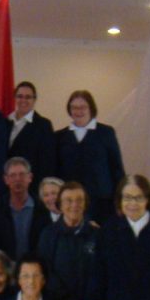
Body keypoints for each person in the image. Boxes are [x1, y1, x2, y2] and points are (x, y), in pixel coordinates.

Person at [55, 90, 125, 224]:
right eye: (74, 107)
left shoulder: (106, 133)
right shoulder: (60, 136)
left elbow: (117, 169)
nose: (78, 111)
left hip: (102, 203)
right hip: (71, 204)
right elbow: (56, 170)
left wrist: (119, 200)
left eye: (82, 107)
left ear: (91, 108)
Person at [0, 157, 51, 259]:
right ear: (6, 180)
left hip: (33, 269)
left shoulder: (41, 209)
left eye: (22, 174)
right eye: (13, 175)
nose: (17, 179)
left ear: (30, 177)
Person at [7, 82, 56, 196]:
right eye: (20, 96)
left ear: (34, 100)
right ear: (15, 98)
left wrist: (42, 190)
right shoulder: (5, 122)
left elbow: (48, 162)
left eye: (28, 97)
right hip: (7, 186)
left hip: (31, 188)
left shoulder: (44, 125)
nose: (23, 100)